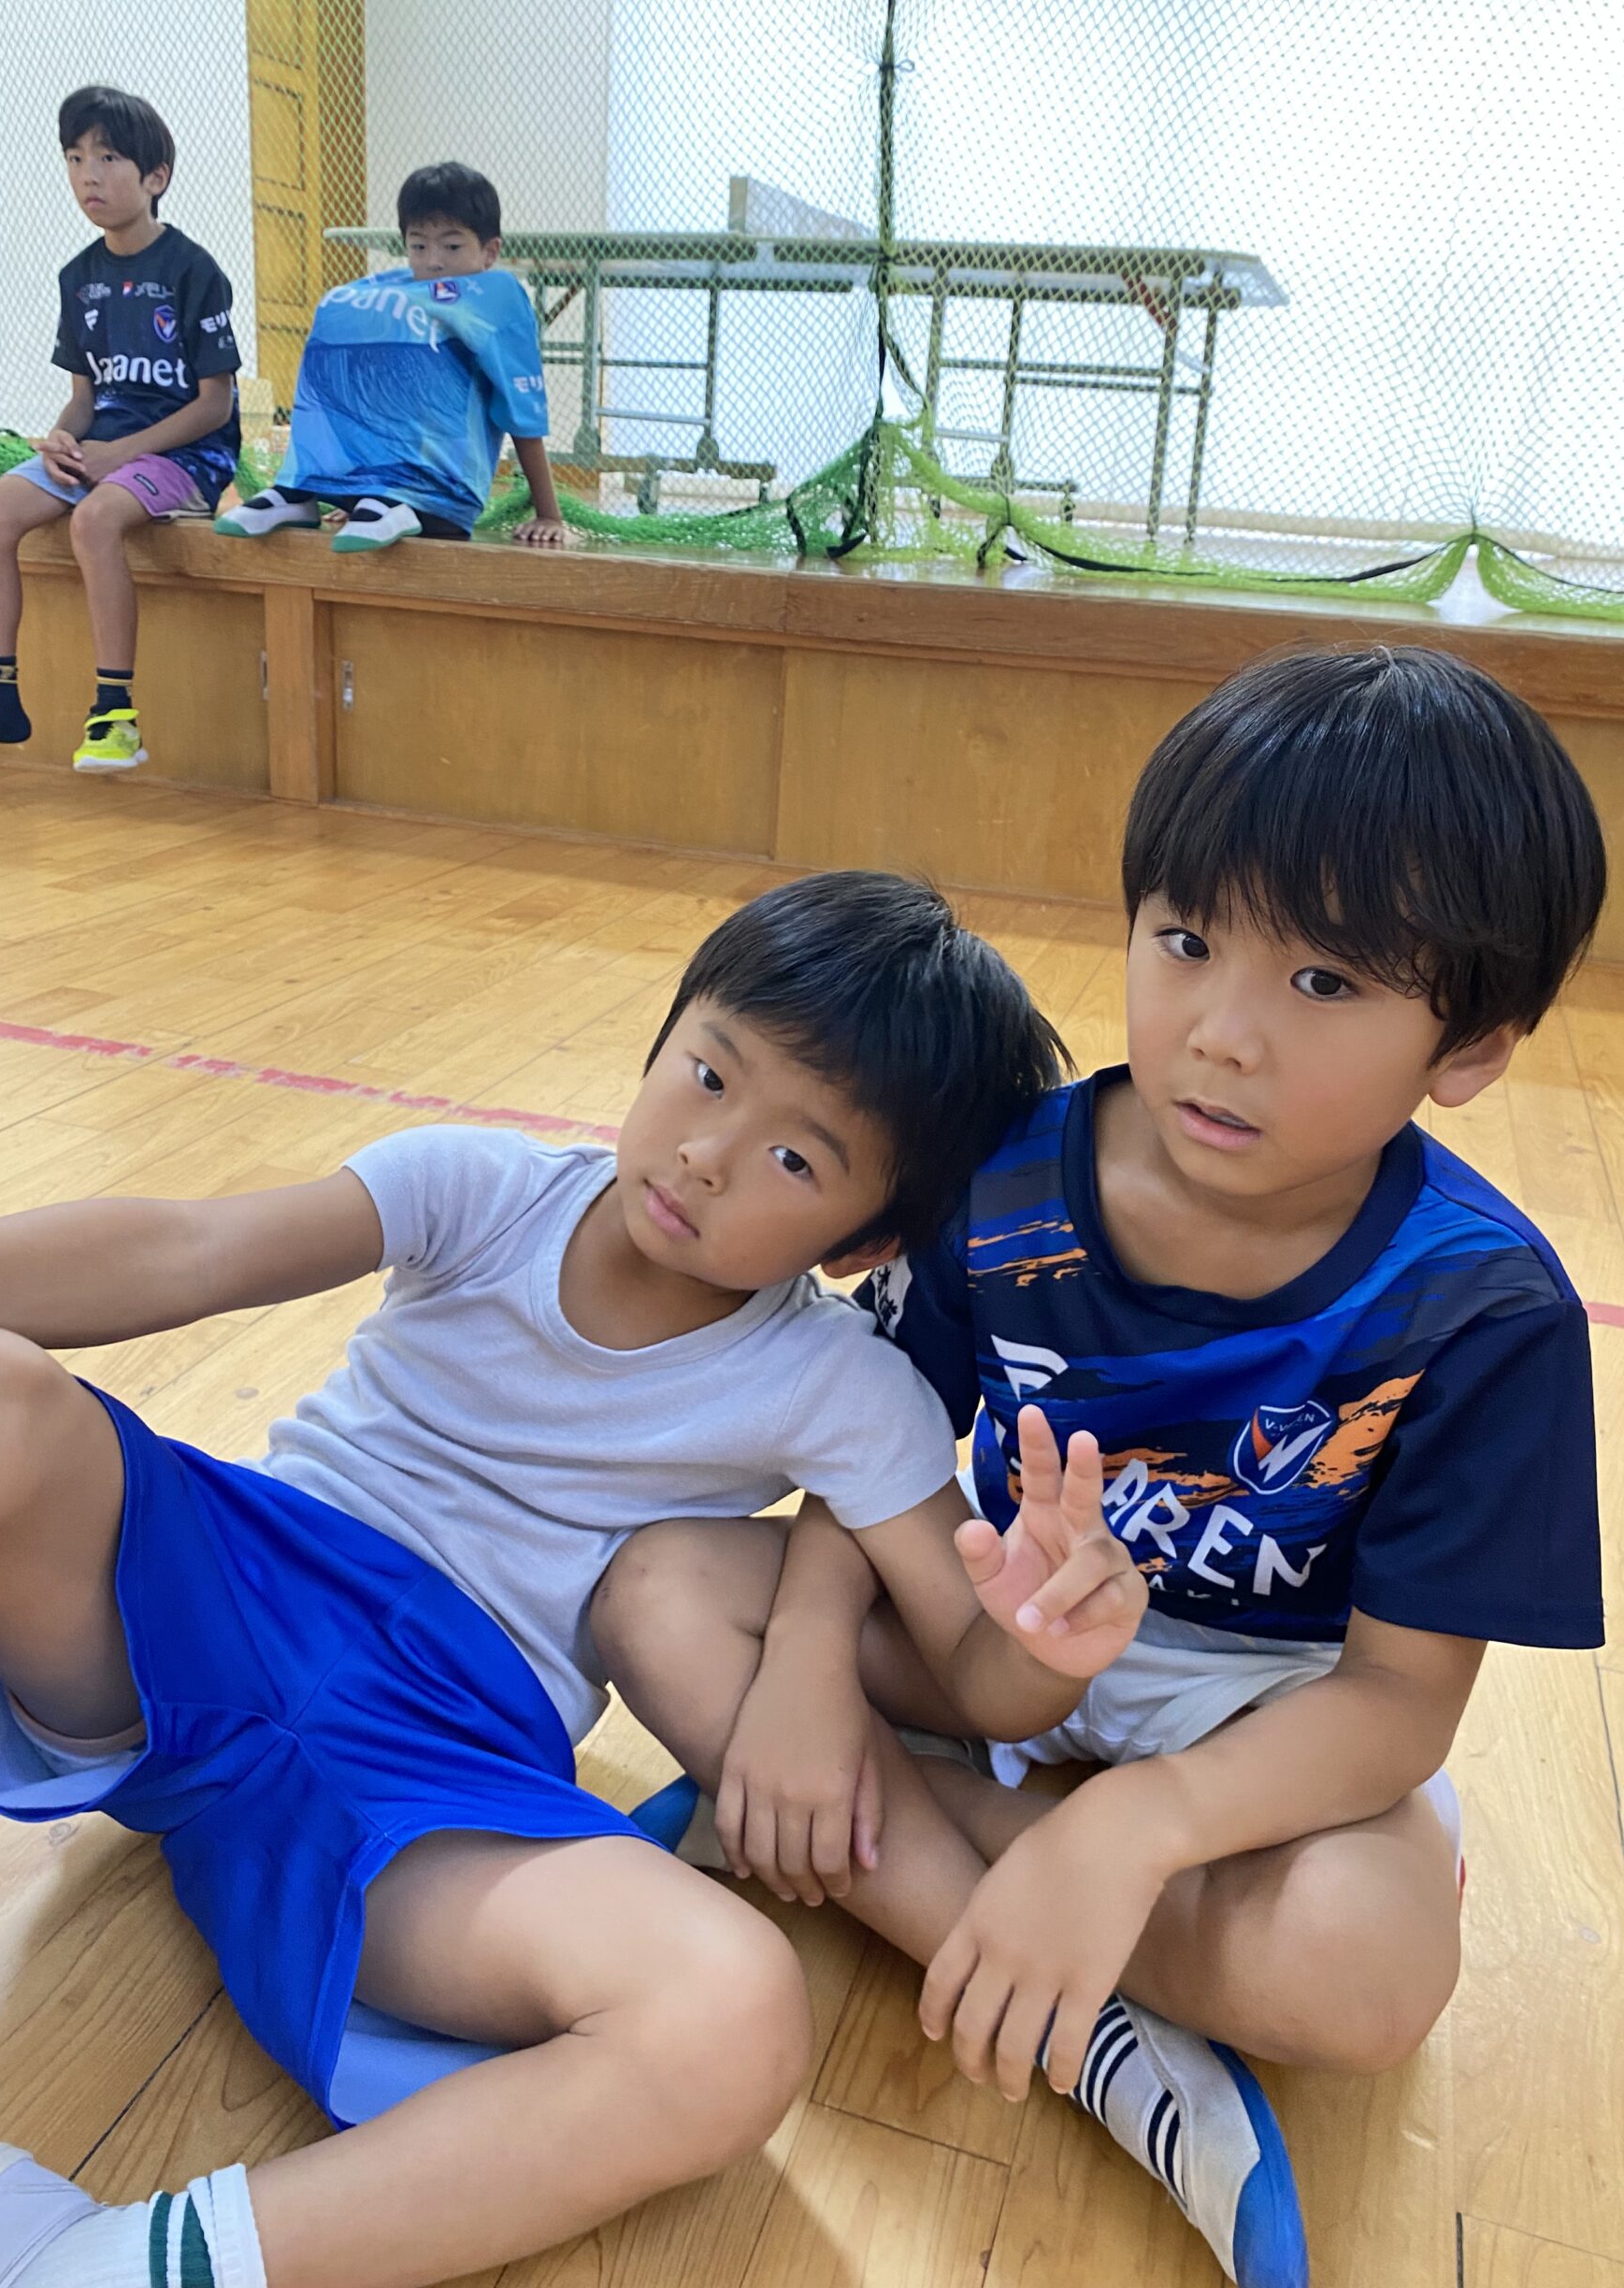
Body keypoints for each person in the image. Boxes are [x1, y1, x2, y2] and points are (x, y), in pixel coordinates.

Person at [0, 872, 1143, 2288]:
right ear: (663, 1036)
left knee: (731, 2011)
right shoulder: (483, 1189)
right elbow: (185, 1250)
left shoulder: (841, 1384)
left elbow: (978, 1674)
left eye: (795, 1158)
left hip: (439, 1760)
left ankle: (84, 2267)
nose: (708, 1153)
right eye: (710, 1073)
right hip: (219, 1592)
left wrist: (1047, 1639)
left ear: (867, 1242)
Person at [595, 645, 1608, 2288]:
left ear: (1473, 1043)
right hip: (996, 1627)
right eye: (1188, 942)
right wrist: (805, 1668)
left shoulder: (1480, 1309)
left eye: (1324, 983)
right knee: (657, 1589)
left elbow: (1397, 1701)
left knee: (1364, 1975)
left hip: (1261, 1705)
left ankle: (873, 1834)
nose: (1222, 1036)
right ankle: (1105, 2033)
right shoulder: (1005, 1177)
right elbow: (873, 1441)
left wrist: (1134, 1827)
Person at [0, 88, 242, 790]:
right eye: (74, 159)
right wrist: (61, 440)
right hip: (102, 452)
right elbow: (85, 398)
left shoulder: (192, 270)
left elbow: (214, 404)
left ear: (156, 176)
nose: (88, 176)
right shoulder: (79, 277)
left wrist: (119, 454)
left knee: (94, 519)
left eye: (108, 158)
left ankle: (114, 713)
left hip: (186, 456)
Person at [214, 161, 565, 554]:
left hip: (442, 496)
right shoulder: (390, 290)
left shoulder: (497, 297)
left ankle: (387, 501)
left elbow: (521, 408)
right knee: (337, 312)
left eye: (452, 247)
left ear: (490, 251)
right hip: (374, 488)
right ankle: (303, 491)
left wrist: (549, 514)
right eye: (418, 246)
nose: (433, 260)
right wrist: (354, 490)